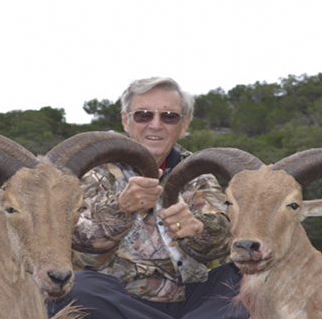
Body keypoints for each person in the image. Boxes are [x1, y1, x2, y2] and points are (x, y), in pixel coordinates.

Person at [48, 77, 249, 319]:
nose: (156, 125)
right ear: (126, 120)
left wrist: (197, 229)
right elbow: (75, 239)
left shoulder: (198, 173)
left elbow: (225, 241)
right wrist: (121, 208)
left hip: (192, 299)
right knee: (78, 288)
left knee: (248, 276)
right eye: (143, 115)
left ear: (184, 125)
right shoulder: (93, 171)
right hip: (119, 299)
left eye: (169, 117)